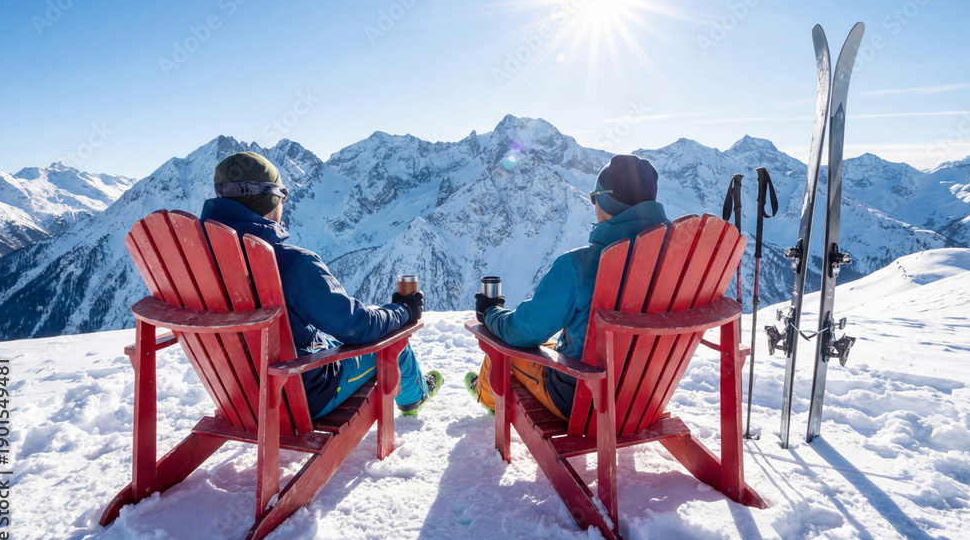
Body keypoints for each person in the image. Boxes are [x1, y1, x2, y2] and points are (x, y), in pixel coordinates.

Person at [200, 151, 442, 419]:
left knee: (330, 336)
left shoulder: (194, 258)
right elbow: (357, 326)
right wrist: (405, 310)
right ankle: (414, 397)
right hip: (300, 395)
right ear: (270, 201)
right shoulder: (291, 263)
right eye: (282, 194)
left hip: (236, 394)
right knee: (393, 342)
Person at [466, 154, 669, 420]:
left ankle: (486, 394)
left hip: (581, 399)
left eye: (595, 197)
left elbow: (523, 332)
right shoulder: (676, 259)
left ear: (606, 202)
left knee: (500, 344)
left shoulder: (579, 265)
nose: (593, 205)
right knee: (551, 344)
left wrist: (490, 312)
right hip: (644, 396)